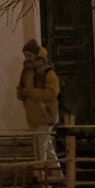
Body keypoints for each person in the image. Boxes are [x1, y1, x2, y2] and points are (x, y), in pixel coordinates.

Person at [18, 39, 62, 172]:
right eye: (25, 56)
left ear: (37, 55)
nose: (27, 59)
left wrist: (30, 92)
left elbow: (51, 93)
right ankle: (57, 175)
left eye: (30, 56)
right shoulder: (26, 72)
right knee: (47, 147)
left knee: (40, 147)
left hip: (45, 114)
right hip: (33, 115)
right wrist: (21, 94)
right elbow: (21, 89)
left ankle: (39, 175)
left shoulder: (48, 73)